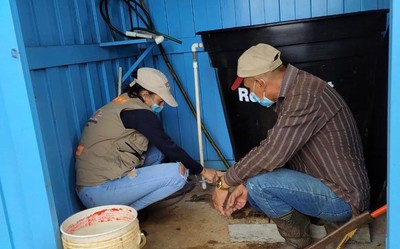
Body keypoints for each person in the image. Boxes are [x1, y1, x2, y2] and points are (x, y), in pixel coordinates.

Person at [212, 43, 370, 248]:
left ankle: (301, 242)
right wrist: (244, 182)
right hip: (327, 184)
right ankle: (307, 232)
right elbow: (278, 148)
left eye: (249, 88)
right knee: (254, 189)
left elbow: (273, 152)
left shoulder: (305, 96)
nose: (250, 94)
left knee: (260, 185)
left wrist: (225, 182)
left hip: (343, 198)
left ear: (260, 83)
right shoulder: (297, 90)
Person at [75, 67, 219, 213]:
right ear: (145, 94)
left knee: (158, 151)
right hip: (98, 192)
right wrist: (203, 171)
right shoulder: (141, 114)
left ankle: (130, 197)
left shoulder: (126, 101)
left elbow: (164, 146)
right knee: (178, 174)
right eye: (160, 101)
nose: (162, 106)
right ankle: (127, 213)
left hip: (94, 183)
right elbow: (170, 148)